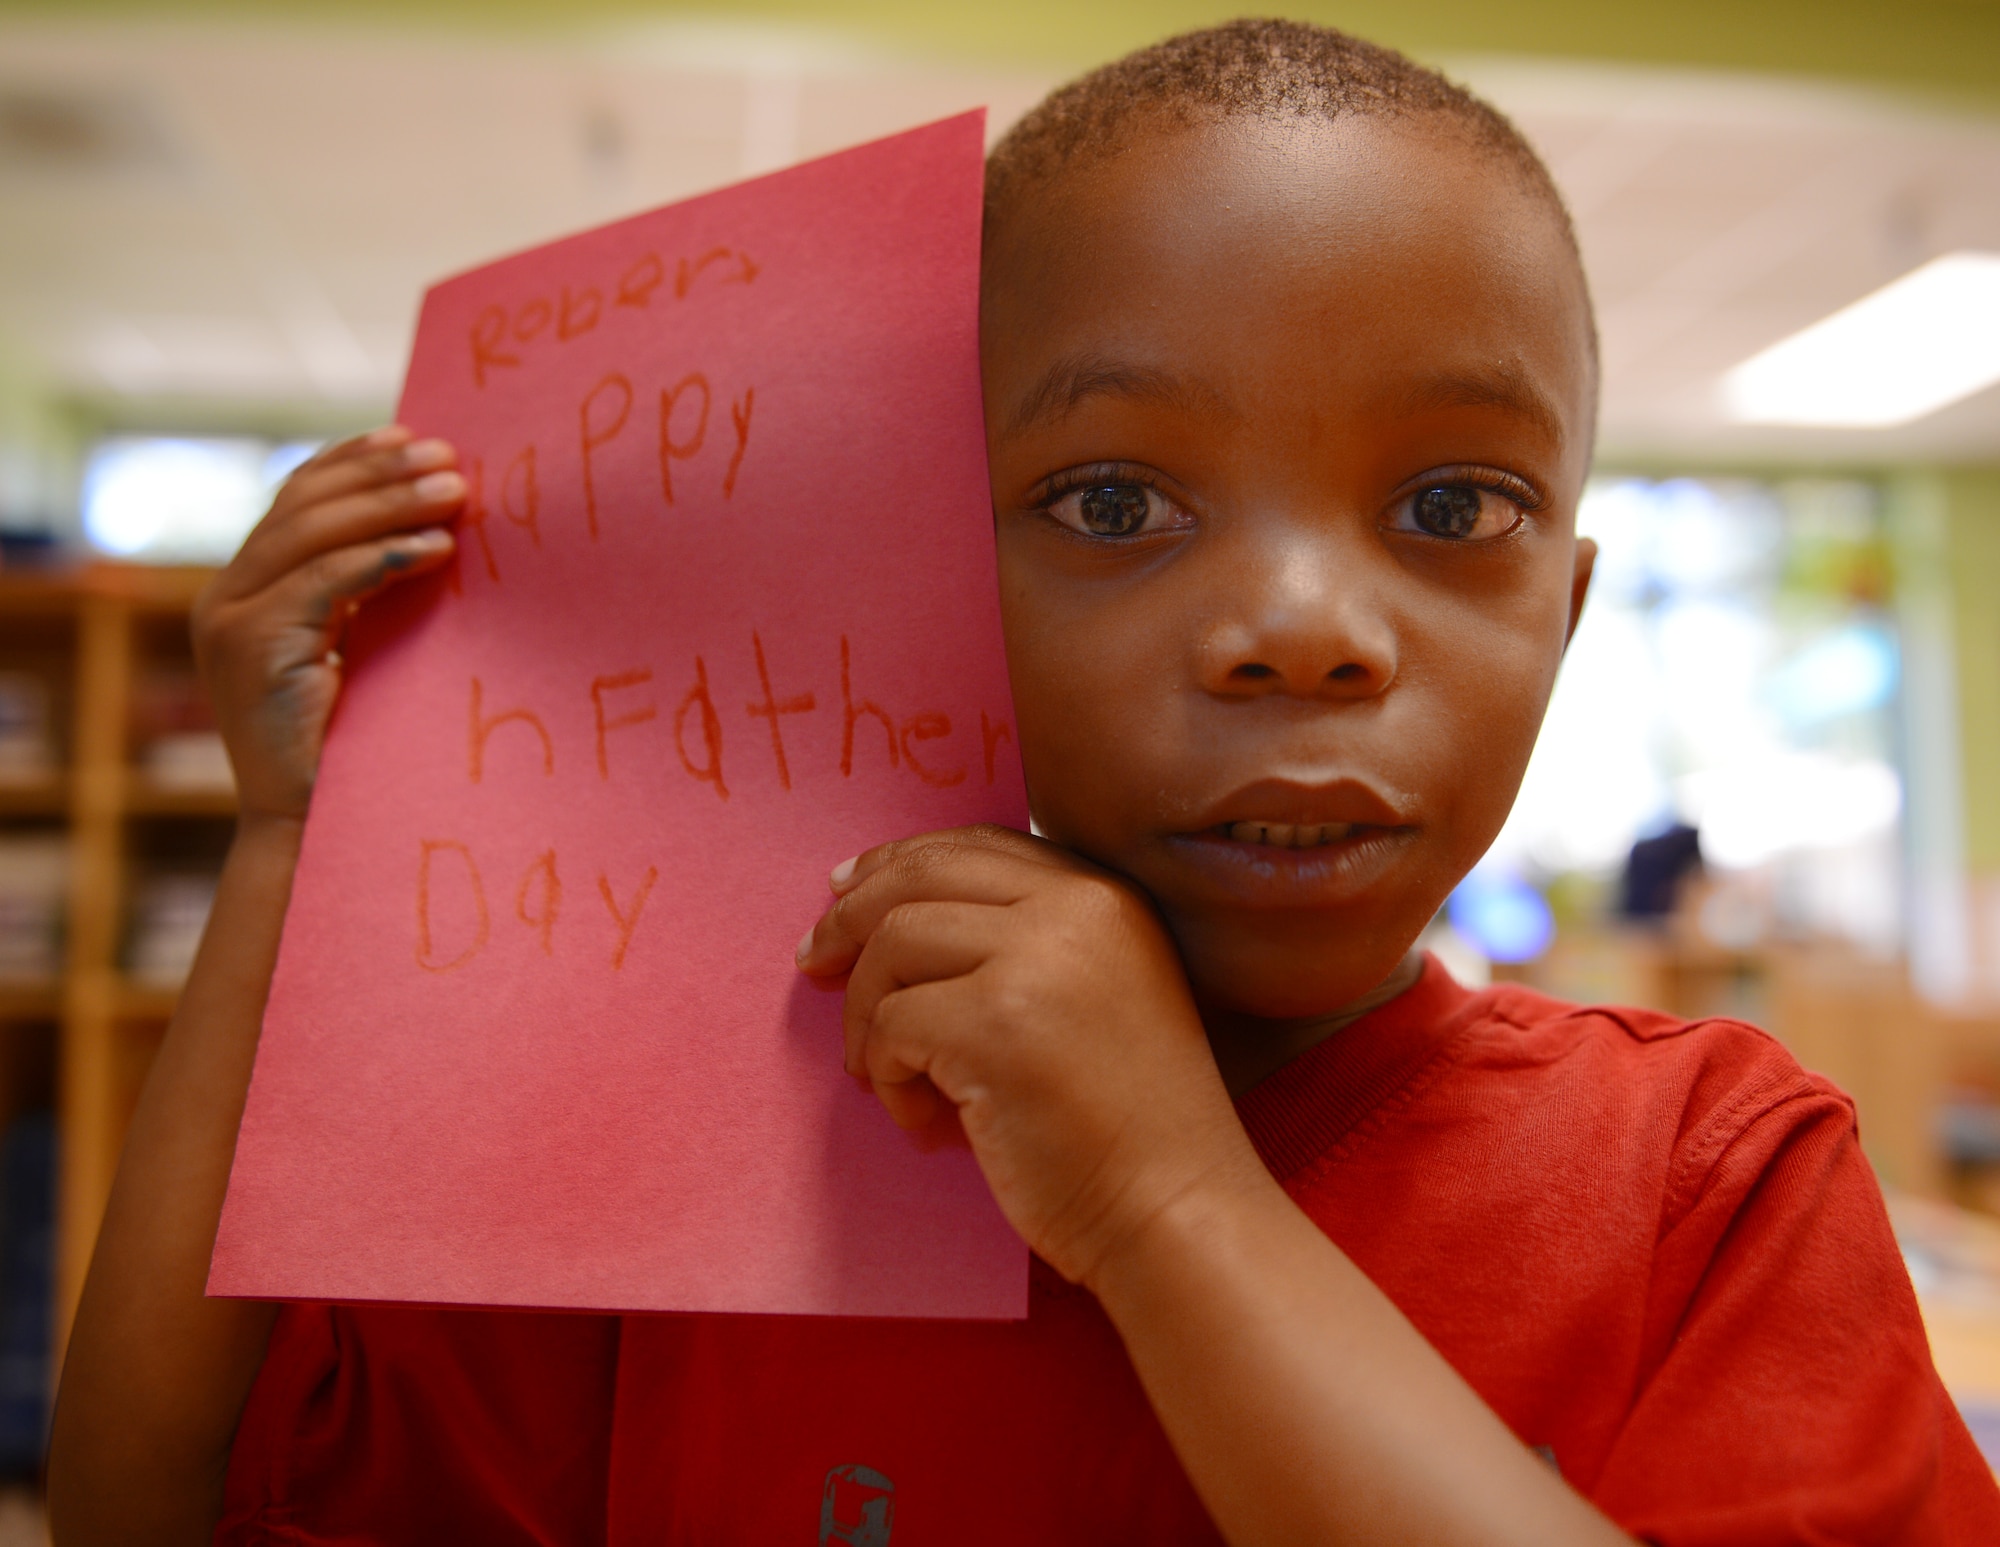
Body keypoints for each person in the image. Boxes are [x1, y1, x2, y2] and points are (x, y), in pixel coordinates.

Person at [46, 20, 2000, 1546]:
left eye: (1449, 504)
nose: (1305, 631)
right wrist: (306, 845)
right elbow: (157, 1509)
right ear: (928, 581)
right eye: (1112, 500)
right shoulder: (715, 1137)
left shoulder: (1716, 1169)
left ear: (1565, 612)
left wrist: (1164, 1200)